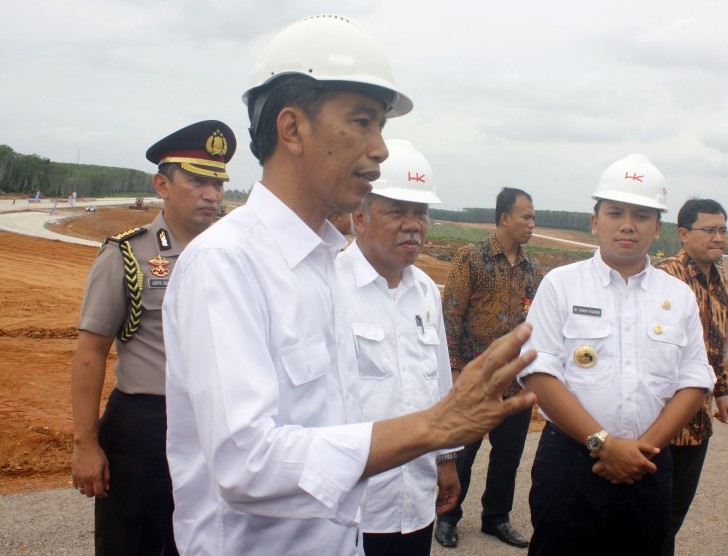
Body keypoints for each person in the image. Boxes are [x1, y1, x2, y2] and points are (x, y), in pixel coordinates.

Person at [162, 14, 536, 556]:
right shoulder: (226, 263)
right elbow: (246, 463)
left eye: (380, 127)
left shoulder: (322, 264)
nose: (380, 149)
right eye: (362, 122)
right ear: (292, 129)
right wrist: (435, 426)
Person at [518, 153, 715, 556]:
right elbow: (539, 371)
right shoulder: (561, 285)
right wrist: (603, 444)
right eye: (615, 212)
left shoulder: (677, 296)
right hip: (572, 464)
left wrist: (640, 452)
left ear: (658, 228)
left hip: (649, 465)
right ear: (595, 221)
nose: (628, 224)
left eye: (642, 215)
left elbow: (694, 380)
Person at [70, 120, 235, 555]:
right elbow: (90, 352)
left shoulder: (233, 257)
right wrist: (86, 444)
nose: (211, 195)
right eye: (198, 181)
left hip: (214, 425)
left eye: (218, 185)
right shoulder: (129, 253)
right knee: (134, 543)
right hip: (146, 426)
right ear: (161, 184)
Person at [337, 139, 460, 556]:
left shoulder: (425, 290)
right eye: (396, 211)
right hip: (354, 506)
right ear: (360, 217)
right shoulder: (329, 288)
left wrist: (445, 459)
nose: (413, 224)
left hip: (417, 497)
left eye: (421, 212)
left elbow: (438, 382)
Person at [436, 187, 542, 549]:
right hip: (473, 381)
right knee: (463, 455)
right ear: (504, 219)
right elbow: (450, 316)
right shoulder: (472, 258)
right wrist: (454, 369)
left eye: (533, 216)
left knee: (507, 458)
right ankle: (448, 516)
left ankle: (496, 518)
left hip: (515, 385)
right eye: (526, 216)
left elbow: (536, 325)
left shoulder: (533, 269)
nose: (532, 223)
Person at [654, 198, 728, 555]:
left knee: (674, 510)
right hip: (658, 416)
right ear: (683, 234)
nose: (718, 238)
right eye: (710, 230)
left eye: (723, 230)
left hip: (697, 420)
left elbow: (714, 346)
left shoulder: (720, 282)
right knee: (648, 508)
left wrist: (721, 392)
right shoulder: (663, 277)